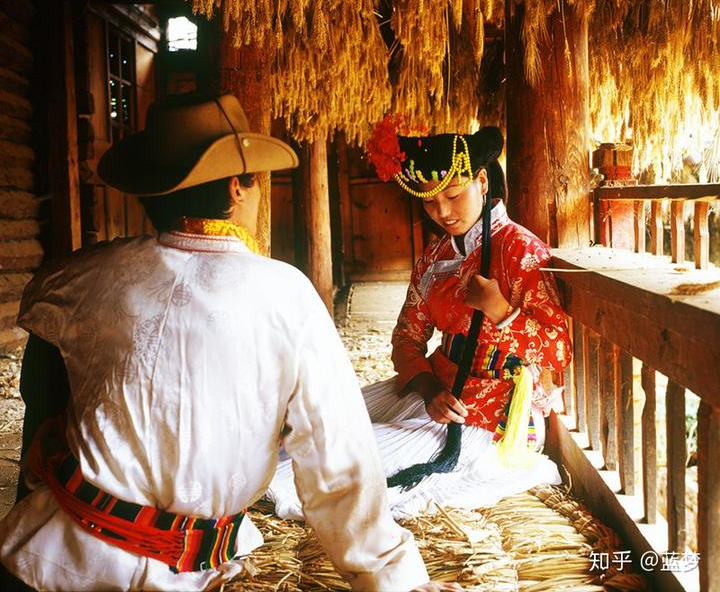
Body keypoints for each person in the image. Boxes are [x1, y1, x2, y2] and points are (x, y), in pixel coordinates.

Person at [0, 94, 461, 592]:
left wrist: (39, 465)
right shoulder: (284, 294)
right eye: (256, 182)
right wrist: (393, 577)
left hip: (43, 558)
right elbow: (337, 457)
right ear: (238, 189)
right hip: (172, 572)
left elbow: (40, 333)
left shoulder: (76, 276)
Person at [269, 118, 572, 520]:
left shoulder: (520, 250)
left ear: (482, 183)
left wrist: (500, 311)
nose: (442, 212)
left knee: (325, 462)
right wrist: (428, 387)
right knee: (312, 422)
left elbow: (558, 349)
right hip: (434, 388)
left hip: (488, 412)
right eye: (430, 202)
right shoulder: (434, 255)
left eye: (453, 195)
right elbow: (406, 337)